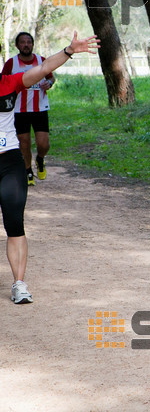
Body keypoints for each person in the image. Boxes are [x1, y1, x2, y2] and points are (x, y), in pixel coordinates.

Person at [0, 31, 100, 303]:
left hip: (9, 161)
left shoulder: (9, 83)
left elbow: (43, 68)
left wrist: (68, 50)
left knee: (14, 224)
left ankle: (19, 284)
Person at [2, 32, 55, 186]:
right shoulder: (11, 63)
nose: (26, 45)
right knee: (23, 143)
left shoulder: (41, 61)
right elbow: (3, 81)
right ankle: (28, 171)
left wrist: (50, 83)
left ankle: (40, 159)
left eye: (28, 42)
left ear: (32, 44)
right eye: (22, 42)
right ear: (17, 45)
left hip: (40, 108)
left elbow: (51, 77)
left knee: (43, 144)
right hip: (19, 110)